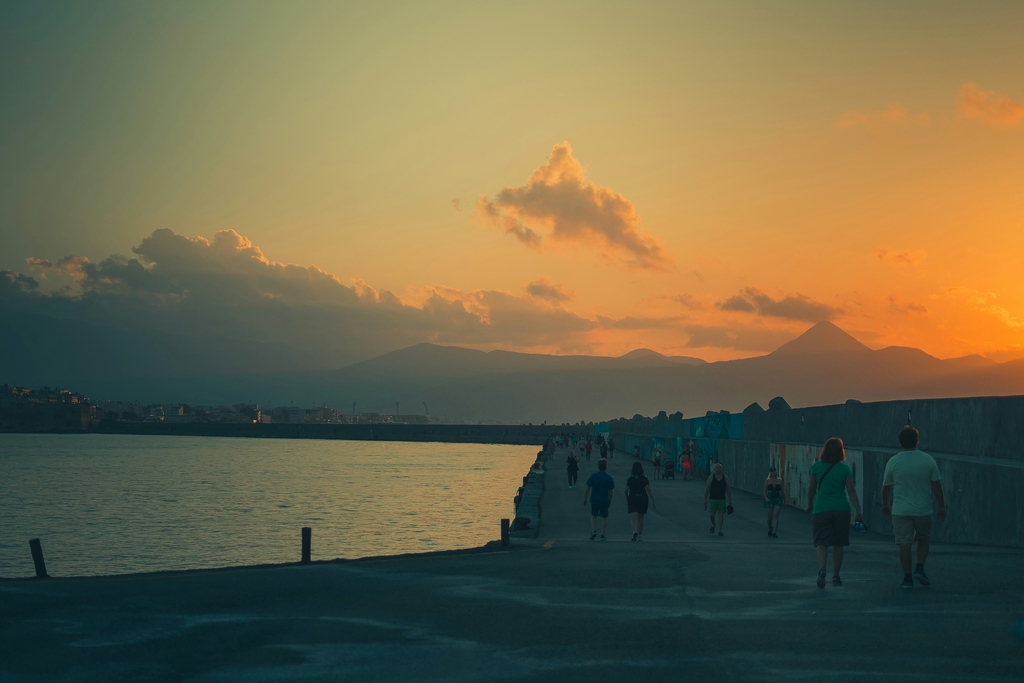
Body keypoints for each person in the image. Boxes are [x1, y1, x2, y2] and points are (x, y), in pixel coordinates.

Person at [882, 426, 946, 589]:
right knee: (923, 539)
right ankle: (920, 568)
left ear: (900, 442)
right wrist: (941, 506)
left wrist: (885, 504)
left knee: (904, 543)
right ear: (917, 441)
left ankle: (907, 578)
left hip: (900, 510)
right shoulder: (928, 460)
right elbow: (937, 485)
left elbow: (886, 487)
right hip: (922, 509)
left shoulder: (894, 461)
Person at [806, 437, 863, 588]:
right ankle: (836, 575)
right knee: (839, 544)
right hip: (841, 509)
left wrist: (810, 504)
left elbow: (811, 489)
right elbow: (851, 490)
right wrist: (858, 509)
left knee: (821, 542)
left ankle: (822, 568)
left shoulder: (816, 467)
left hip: (821, 508)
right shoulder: (844, 469)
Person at [583, 458, 615, 541]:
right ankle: (603, 534)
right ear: (606, 467)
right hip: (604, 500)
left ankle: (594, 531)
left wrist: (585, 498)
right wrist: (609, 501)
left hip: (594, 499)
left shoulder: (593, 476)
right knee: (603, 517)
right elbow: (611, 491)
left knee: (593, 515)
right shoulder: (609, 478)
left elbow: (587, 488)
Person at [625, 462, 656, 541]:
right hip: (643, 498)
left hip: (633, 497)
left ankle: (634, 531)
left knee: (633, 518)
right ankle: (639, 535)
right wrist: (653, 500)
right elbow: (649, 489)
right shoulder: (644, 477)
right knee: (641, 518)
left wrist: (627, 497)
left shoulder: (630, 478)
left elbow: (626, 489)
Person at [703, 463, 732, 536]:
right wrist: (705, 499)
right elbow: (707, 489)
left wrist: (730, 499)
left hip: (722, 499)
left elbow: (728, 489)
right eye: (717, 468)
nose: (719, 469)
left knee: (721, 515)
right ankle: (713, 524)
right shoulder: (711, 478)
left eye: (720, 468)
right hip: (712, 499)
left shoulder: (725, 478)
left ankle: (720, 530)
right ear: (714, 469)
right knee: (711, 515)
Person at [763, 466, 784, 537]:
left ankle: (774, 532)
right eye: (772, 471)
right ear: (770, 473)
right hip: (770, 498)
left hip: (778, 498)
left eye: (774, 471)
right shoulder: (767, 481)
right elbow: (764, 491)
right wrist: (766, 498)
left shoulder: (780, 480)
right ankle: (770, 528)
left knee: (776, 515)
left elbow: (782, 491)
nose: (773, 473)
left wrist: (784, 500)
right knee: (769, 518)